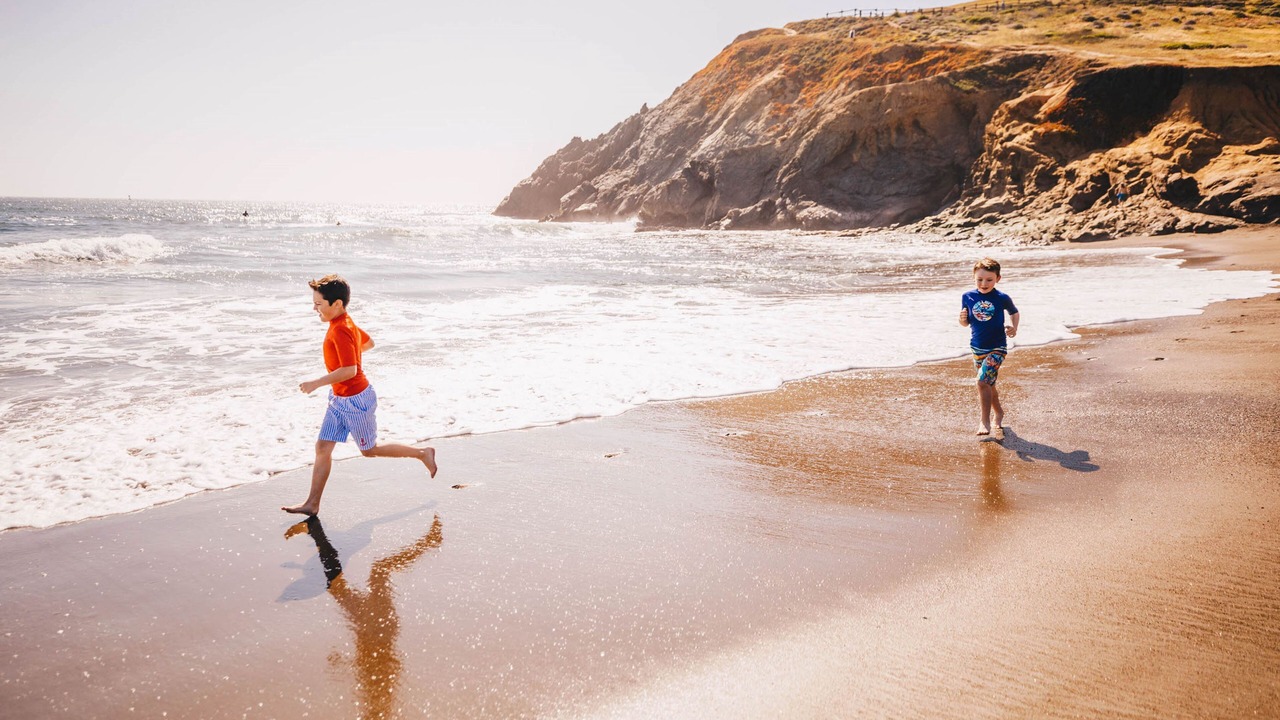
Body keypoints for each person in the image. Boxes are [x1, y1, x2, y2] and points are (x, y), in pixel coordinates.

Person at [283, 274, 437, 515]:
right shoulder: (345, 323)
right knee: (323, 448)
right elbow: (368, 343)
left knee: (369, 450)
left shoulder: (341, 329)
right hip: (339, 399)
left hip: (356, 400)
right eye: (314, 304)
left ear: (337, 304)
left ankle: (422, 454)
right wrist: (349, 358)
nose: (315, 309)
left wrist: (316, 383)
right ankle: (312, 504)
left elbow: (350, 370)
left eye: (318, 305)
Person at [958, 258, 1020, 436]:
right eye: (979, 279)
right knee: (989, 384)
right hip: (977, 347)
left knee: (982, 382)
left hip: (997, 347)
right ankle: (999, 412)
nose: (984, 283)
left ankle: (984, 421)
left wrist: (1014, 327)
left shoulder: (1001, 298)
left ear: (998, 279)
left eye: (989, 280)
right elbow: (965, 322)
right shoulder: (967, 296)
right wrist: (962, 320)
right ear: (974, 277)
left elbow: (1014, 312)